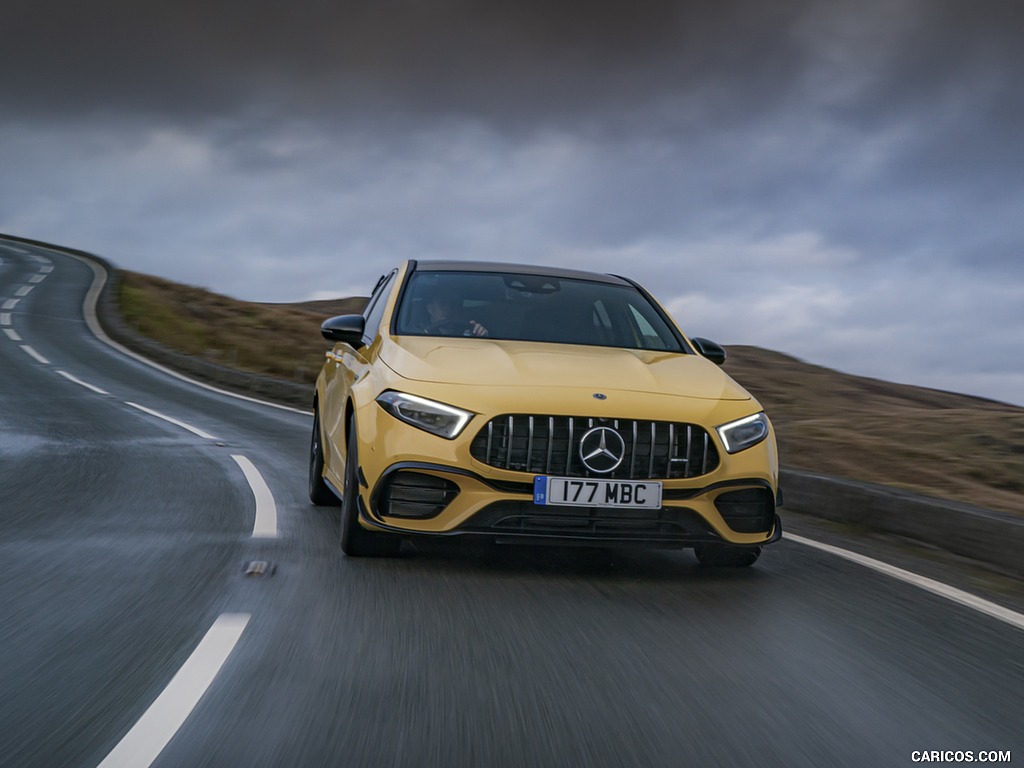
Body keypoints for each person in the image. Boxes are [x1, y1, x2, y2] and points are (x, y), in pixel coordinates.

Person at [424, 295, 488, 336]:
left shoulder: (468, 332)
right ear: (430, 308)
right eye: (443, 302)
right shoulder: (417, 335)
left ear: (459, 310)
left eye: (454, 304)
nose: (448, 308)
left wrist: (481, 335)